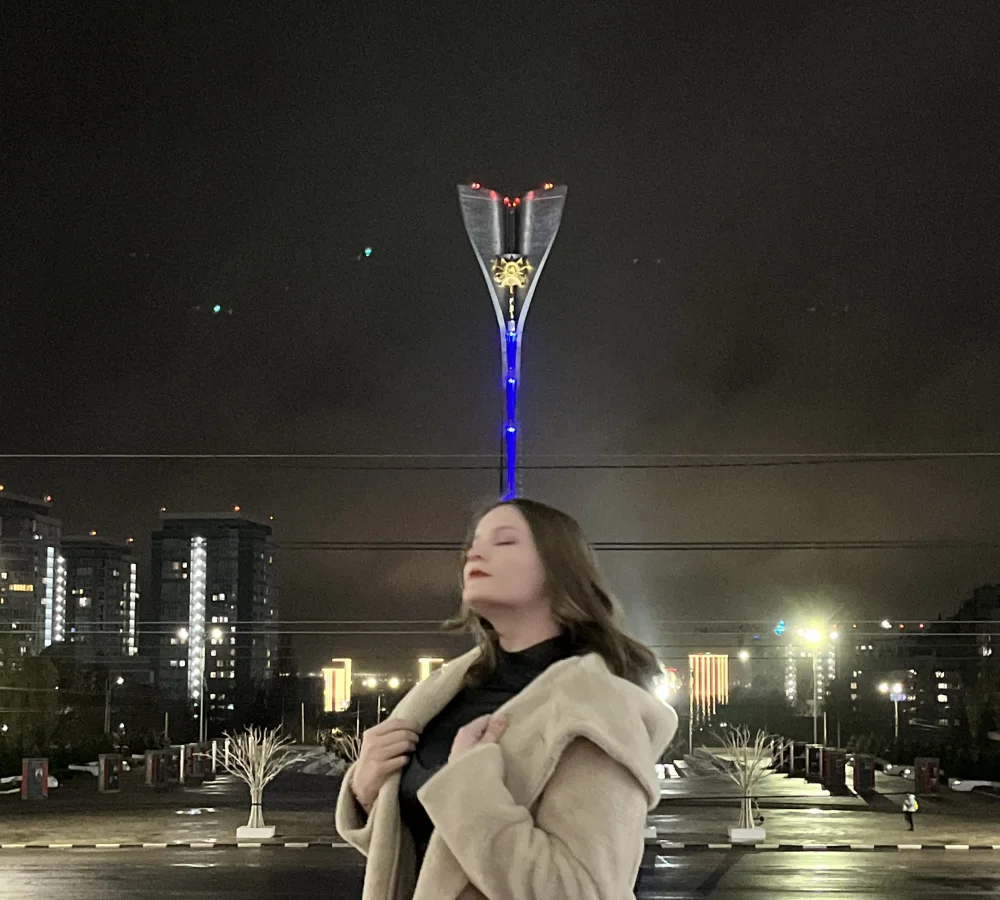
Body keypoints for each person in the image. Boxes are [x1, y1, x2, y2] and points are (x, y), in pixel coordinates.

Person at [335, 498, 679, 899]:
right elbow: (435, 859)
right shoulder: (444, 694)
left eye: (505, 541)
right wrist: (368, 791)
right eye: (475, 542)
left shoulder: (597, 708)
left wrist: (469, 787)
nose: (474, 553)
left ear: (559, 571)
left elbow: (583, 891)